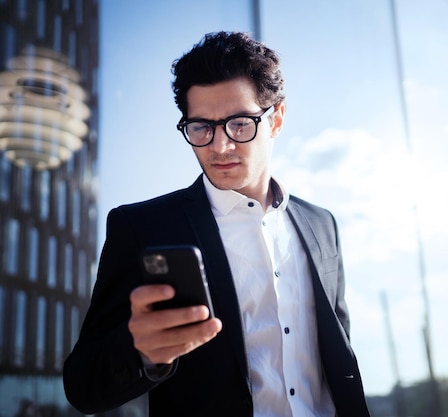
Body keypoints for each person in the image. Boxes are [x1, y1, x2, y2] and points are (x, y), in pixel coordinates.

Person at [63, 31, 371, 417]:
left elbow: (340, 354)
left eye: (240, 123)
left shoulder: (321, 224)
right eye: (201, 127)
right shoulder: (140, 226)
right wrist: (141, 353)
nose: (219, 146)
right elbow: (83, 385)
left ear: (276, 119)